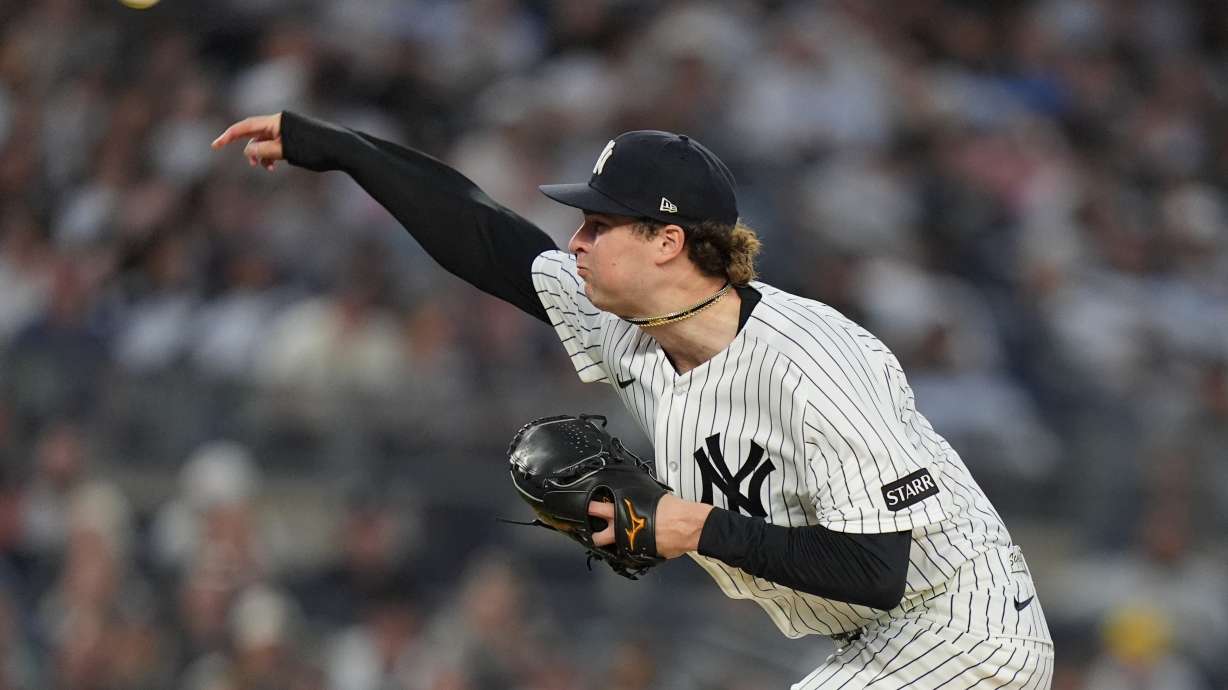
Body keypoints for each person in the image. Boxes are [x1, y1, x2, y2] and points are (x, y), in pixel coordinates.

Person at [213, 112, 1054, 689]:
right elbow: (487, 236)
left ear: (667, 241)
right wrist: (343, 149)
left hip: (961, 628)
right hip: (873, 642)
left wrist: (693, 527)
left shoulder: (814, 363)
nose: (576, 241)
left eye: (599, 225)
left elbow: (876, 571)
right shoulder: (631, 326)